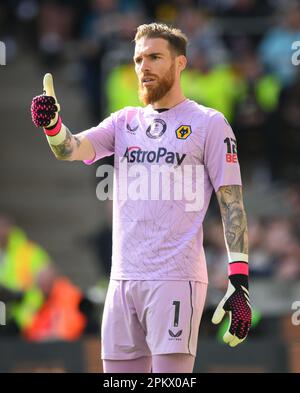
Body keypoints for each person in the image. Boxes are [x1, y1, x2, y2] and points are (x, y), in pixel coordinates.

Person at [31, 23, 251, 373]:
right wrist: (52, 125)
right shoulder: (123, 122)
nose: (143, 67)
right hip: (122, 281)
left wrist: (239, 280)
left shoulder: (209, 123)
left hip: (175, 279)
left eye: (154, 57)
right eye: (137, 59)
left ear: (180, 63)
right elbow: (69, 149)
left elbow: (232, 204)